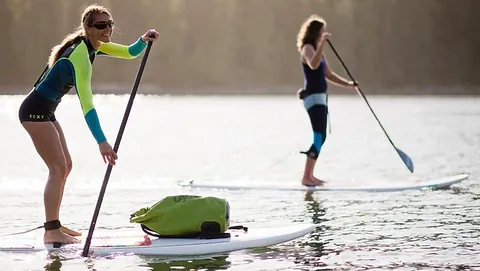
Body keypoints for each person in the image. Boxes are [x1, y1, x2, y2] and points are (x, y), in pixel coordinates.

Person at [18, 4, 159, 245]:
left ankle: (55, 223)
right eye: (101, 25)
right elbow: (87, 104)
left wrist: (143, 40)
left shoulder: (93, 45)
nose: (107, 30)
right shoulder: (80, 55)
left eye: (109, 24)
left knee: (66, 166)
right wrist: (102, 142)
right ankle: (50, 230)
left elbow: (129, 52)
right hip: (34, 112)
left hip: (45, 111)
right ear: (88, 28)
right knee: (57, 168)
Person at [296, 15, 358, 186]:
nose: (324, 34)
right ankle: (306, 177)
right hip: (313, 97)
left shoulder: (317, 50)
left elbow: (328, 75)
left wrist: (349, 85)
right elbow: (313, 65)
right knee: (319, 136)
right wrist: (322, 44)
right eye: (322, 32)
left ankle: (309, 175)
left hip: (320, 97)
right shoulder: (308, 48)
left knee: (320, 137)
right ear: (315, 32)